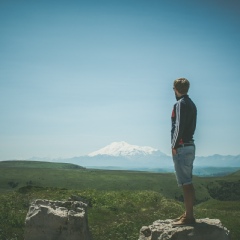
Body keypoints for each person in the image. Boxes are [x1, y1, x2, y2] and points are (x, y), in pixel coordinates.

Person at [171, 78, 197, 225]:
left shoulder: (180, 104)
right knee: (188, 182)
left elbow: (178, 126)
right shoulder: (192, 104)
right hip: (190, 145)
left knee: (185, 183)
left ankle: (188, 218)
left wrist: (174, 145)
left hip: (182, 146)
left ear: (176, 88)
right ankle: (188, 213)